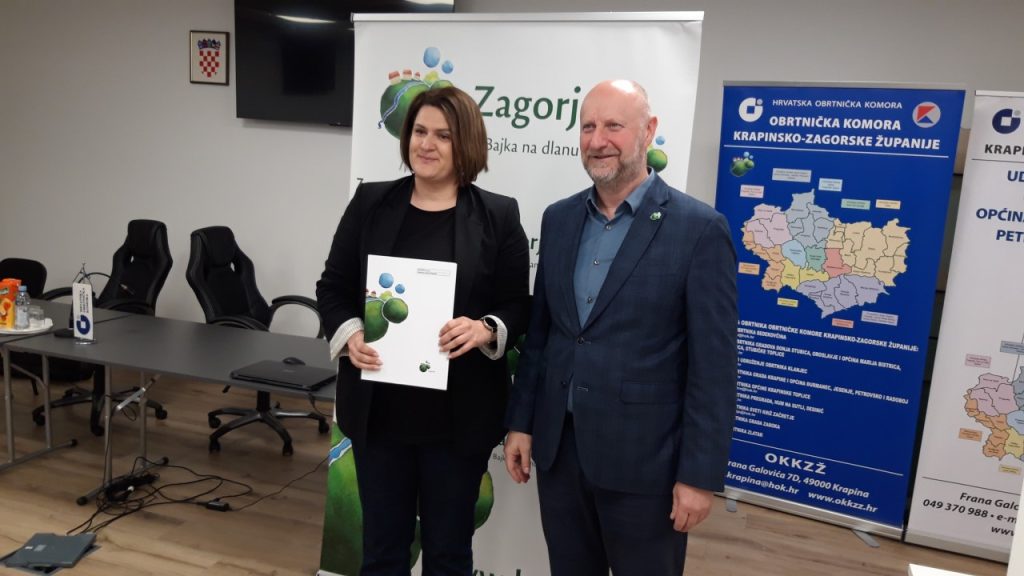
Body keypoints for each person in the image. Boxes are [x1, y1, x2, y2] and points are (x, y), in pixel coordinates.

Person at [503, 79, 738, 576]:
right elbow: (542, 334)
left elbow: (714, 368)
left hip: (646, 466)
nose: (597, 140)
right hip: (560, 453)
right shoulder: (559, 219)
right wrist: (521, 421)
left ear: (648, 131)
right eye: (588, 126)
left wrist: (698, 476)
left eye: (613, 126)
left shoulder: (699, 229)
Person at [317, 86, 530, 576]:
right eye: (418, 131)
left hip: (458, 422)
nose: (426, 144)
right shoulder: (371, 202)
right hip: (379, 416)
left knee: (448, 555)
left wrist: (484, 329)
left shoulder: (498, 215)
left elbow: (518, 305)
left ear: (466, 144)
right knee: (382, 553)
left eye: (443, 135)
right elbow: (333, 286)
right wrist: (351, 334)